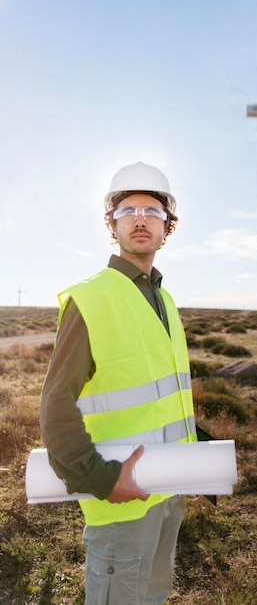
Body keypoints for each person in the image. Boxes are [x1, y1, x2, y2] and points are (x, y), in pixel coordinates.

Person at [40, 161, 197, 605]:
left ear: (168, 227)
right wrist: (102, 479)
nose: (141, 219)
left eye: (154, 212)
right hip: (120, 500)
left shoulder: (163, 298)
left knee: (153, 596)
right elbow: (55, 406)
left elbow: (165, 396)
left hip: (168, 492)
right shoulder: (92, 297)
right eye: (128, 210)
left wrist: (198, 461)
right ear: (113, 224)